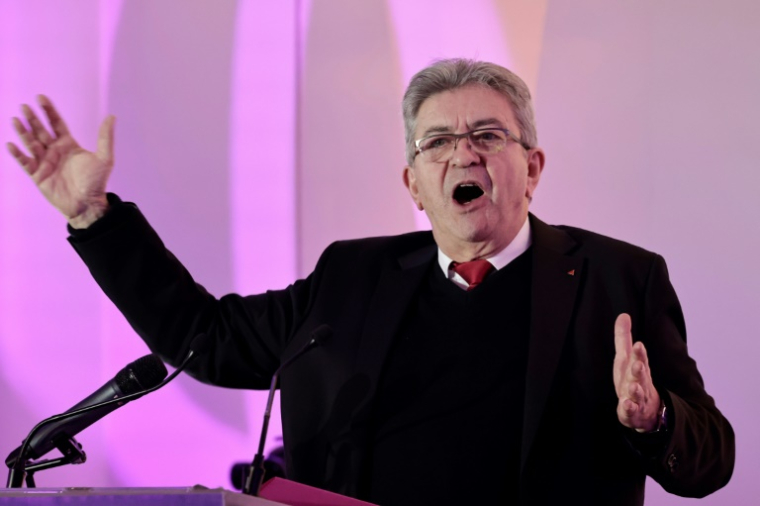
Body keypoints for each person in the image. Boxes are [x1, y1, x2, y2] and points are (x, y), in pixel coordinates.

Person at [7, 59, 734, 505]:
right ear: (414, 184)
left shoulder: (616, 280)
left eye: (487, 135)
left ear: (533, 168)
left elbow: (711, 463)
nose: (463, 155)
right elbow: (207, 340)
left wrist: (655, 421)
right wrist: (94, 217)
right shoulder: (352, 277)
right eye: (438, 142)